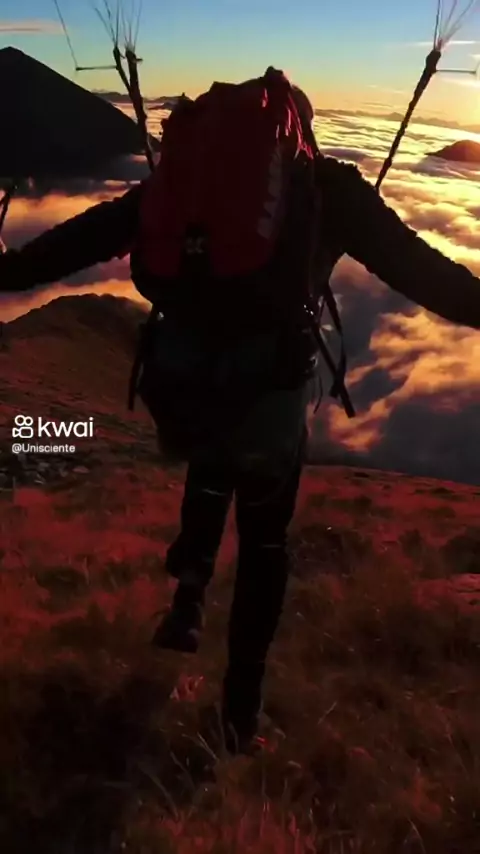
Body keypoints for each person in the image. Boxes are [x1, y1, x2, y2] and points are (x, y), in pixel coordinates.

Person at [1, 68, 479, 755]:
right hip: (268, 406)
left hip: (181, 393)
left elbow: (76, 243)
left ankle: (188, 597)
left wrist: (10, 272)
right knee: (263, 541)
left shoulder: (183, 186)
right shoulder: (328, 189)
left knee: (210, 455)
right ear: (303, 133)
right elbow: (429, 277)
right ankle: (239, 718)